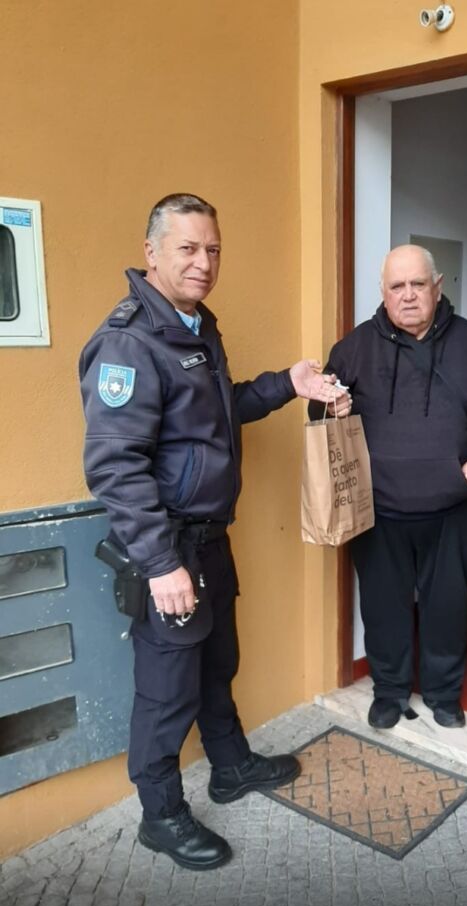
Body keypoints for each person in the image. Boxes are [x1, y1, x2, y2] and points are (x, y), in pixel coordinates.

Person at [79, 193, 350, 871]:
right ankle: (160, 814)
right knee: (166, 688)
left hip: (208, 541)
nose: (203, 262)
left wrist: (287, 384)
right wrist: (159, 562)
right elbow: (116, 466)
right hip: (169, 548)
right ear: (151, 253)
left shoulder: (195, 328)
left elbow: (216, 414)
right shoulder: (130, 342)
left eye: (213, 250)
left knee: (217, 662)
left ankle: (230, 766)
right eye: (188, 248)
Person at [314, 244, 467, 730]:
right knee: (383, 609)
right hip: (378, 512)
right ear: (383, 292)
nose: (407, 295)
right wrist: (329, 407)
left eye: (417, 284)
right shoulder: (353, 348)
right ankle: (389, 691)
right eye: (397, 286)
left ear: (437, 286)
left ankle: (444, 694)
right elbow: (318, 413)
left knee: (446, 608)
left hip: (452, 509)